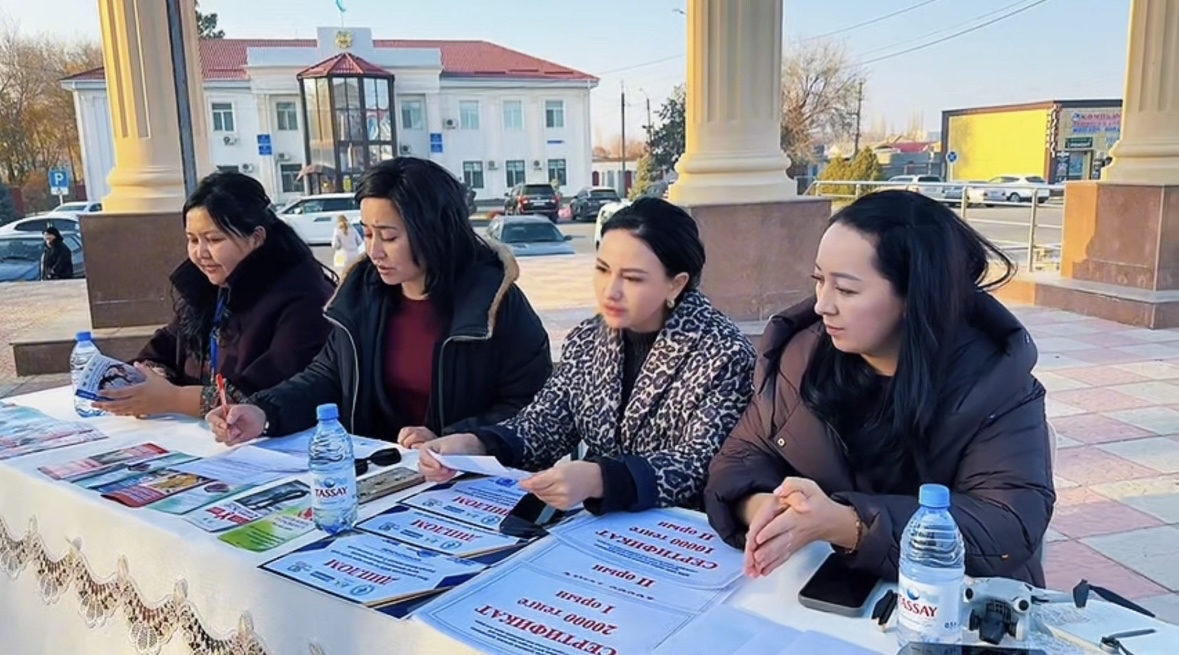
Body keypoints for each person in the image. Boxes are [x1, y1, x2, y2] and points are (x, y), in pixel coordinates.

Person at [703, 190, 1054, 587]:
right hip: (822, 588)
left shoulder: (996, 383)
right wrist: (766, 506)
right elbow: (740, 458)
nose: (823, 305)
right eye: (819, 281)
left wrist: (849, 525)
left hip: (956, 604)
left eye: (847, 290)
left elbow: (1005, 524)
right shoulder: (802, 358)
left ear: (914, 296)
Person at [417, 197, 757, 515]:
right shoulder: (589, 339)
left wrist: (600, 479)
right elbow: (543, 426)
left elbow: (699, 463)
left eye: (633, 278)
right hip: (598, 527)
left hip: (681, 533)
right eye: (603, 269)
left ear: (675, 284)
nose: (611, 290)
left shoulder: (723, 353)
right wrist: (474, 445)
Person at [206, 157, 552, 446]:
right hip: (382, 474)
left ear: (434, 232)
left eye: (389, 236)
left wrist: (457, 438)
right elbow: (328, 375)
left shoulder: (495, 302)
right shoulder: (362, 294)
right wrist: (263, 412)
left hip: (465, 479)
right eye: (368, 233)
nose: (374, 251)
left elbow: (534, 406)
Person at [94, 171, 336, 418]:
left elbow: (266, 394)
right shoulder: (210, 285)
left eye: (214, 239)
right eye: (192, 240)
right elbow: (164, 347)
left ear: (257, 238)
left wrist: (171, 398)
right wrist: (149, 379)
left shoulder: (305, 298)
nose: (201, 253)